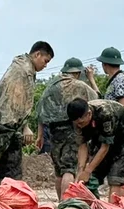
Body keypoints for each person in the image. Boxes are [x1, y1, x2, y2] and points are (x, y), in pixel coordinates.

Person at [0, 41, 54, 184]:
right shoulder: (24, 71)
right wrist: (25, 127)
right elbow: (18, 104)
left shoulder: (20, 66)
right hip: (6, 128)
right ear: (37, 54)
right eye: (45, 61)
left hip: (2, 127)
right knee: (8, 177)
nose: (45, 65)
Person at [36, 58, 98, 199]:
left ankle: (60, 203)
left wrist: (40, 135)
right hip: (73, 130)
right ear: (76, 73)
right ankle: (67, 204)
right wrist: (91, 79)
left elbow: (39, 111)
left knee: (59, 171)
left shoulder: (50, 87)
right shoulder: (80, 86)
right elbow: (97, 99)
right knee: (69, 169)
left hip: (53, 132)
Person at [67, 98, 124, 202]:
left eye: (81, 123)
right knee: (91, 178)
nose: (79, 126)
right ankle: (92, 208)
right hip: (100, 136)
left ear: (89, 114)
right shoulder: (78, 120)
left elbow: (105, 147)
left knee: (115, 176)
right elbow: (82, 144)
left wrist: (88, 170)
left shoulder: (105, 114)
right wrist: (81, 170)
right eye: (77, 123)